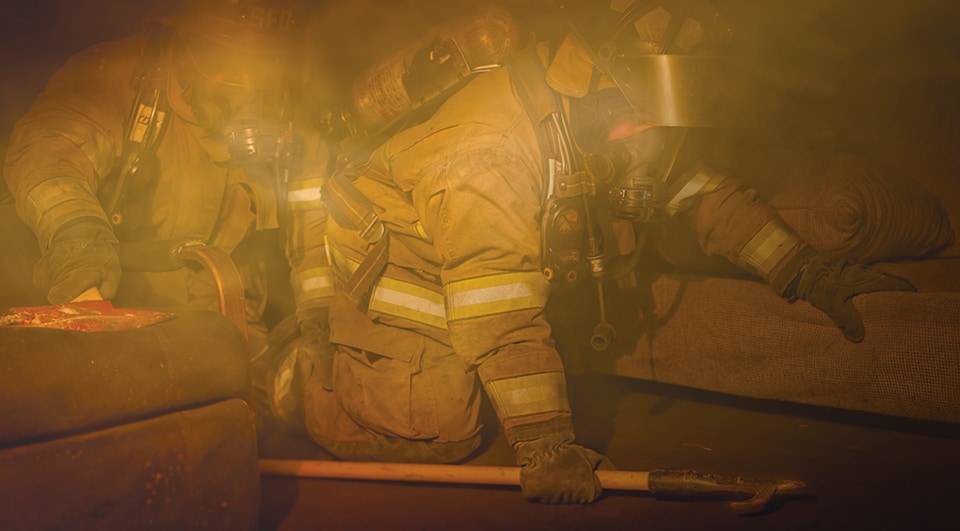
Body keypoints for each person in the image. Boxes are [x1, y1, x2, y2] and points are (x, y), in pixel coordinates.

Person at [260, 0, 916, 505]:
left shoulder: (608, 110)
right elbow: (497, 302)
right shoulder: (488, 148)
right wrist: (545, 446)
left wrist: (808, 271)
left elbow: (696, 191)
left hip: (479, 271)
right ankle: (294, 370)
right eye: (642, 115)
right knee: (443, 423)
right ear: (599, 78)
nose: (650, 135)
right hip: (407, 276)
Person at [2, 0, 323, 347]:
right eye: (231, 66)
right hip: (120, 321)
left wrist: (319, 312)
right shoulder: (117, 76)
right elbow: (50, 151)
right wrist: (78, 240)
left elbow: (313, 228)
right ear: (187, 47)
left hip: (229, 329)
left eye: (266, 69)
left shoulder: (291, 117)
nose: (248, 88)